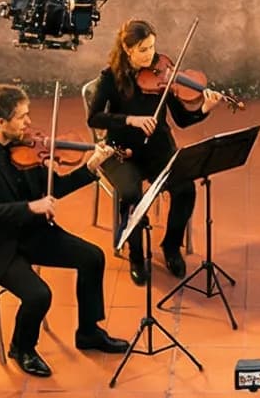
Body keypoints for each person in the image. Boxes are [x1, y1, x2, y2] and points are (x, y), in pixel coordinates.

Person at [0, 83, 126, 377]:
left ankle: (88, 332)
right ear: (1, 123)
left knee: (93, 257)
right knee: (39, 295)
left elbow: (57, 187)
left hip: (32, 233)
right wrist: (30, 207)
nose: (28, 122)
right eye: (22, 116)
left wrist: (91, 167)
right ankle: (21, 348)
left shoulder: (28, 146)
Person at [86, 19, 210, 287]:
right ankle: (136, 256)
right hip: (121, 152)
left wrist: (204, 110)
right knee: (131, 196)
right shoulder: (110, 77)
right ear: (127, 49)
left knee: (185, 189)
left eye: (152, 47)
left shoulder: (162, 73)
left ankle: (171, 246)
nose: (150, 55)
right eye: (143, 49)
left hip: (158, 149)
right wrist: (130, 120)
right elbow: (94, 118)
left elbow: (182, 119)